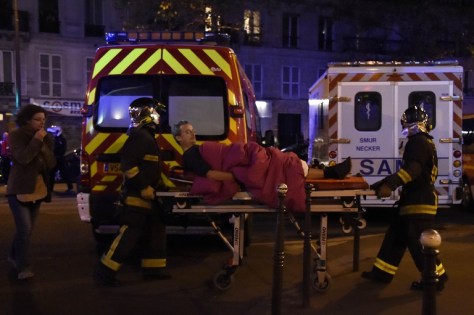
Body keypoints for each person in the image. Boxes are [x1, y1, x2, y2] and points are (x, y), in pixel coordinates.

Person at [172, 120, 351, 211]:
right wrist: (239, 175)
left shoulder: (197, 150)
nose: (193, 134)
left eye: (193, 131)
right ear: (179, 138)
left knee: (283, 161)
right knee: (286, 164)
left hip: (246, 160)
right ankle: (332, 172)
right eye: (188, 132)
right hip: (245, 167)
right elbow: (211, 174)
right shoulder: (191, 155)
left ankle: (330, 171)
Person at [361, 105, 448, 291]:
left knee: (418, 243)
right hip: (415, 200)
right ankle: (382, 273)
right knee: (396, 236)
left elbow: (413, 170)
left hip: (419, 201)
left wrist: (390, 185)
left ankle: (436, 278)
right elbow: (410, 170)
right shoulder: (424, 142)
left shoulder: (417, 142)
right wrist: (381, 183)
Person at [94, 97, 170, 287]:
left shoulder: (146, 136)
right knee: (129, 233)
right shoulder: (141, 137)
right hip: (138, 196)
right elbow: (128, 165)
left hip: (150, 196)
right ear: (147, 114)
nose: (159, 117)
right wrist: (143, 187)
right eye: (156, 113)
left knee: (156, 229)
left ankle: (153, 269)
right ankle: (105, 271)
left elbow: (150, 167)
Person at [6, 104, 56, 280]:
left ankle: (13, 255)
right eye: (38, 119)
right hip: (19, 189)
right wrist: (36, 141)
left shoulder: (45, 136)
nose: (42, 123)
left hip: (39, 188)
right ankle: (23, 267)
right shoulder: (16, 136)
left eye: (44, 119)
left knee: (26, 230)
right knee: (24, 229)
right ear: (27, 120)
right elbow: (23, 158)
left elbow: (51, 163)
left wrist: (43, 143)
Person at [47, 125, 73, 193]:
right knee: (51, 174)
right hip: (55, 159)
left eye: (54, 132)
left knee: (64, 173)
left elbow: (61, 150)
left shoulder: (61, 139)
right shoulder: (56, 139)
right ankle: (50, 189)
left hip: (60, 159)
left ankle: (70, 187)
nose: (53, 134)